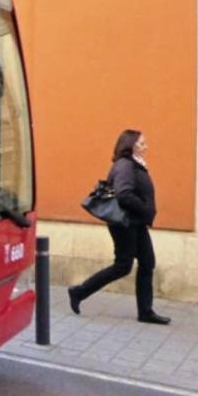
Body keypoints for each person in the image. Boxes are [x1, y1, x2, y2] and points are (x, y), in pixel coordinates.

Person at [68, 129, 170, 325]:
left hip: (136, 223)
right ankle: (79, 291)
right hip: (125, 224)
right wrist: (145, 208)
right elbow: (124, 194)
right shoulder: (125, 165)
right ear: (130, 145)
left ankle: (146, 312)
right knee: (123, 266)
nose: (145, 147)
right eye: (141, 144)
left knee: (147, 263)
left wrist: (144, 212)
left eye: (144, 143)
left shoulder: (135, 165)